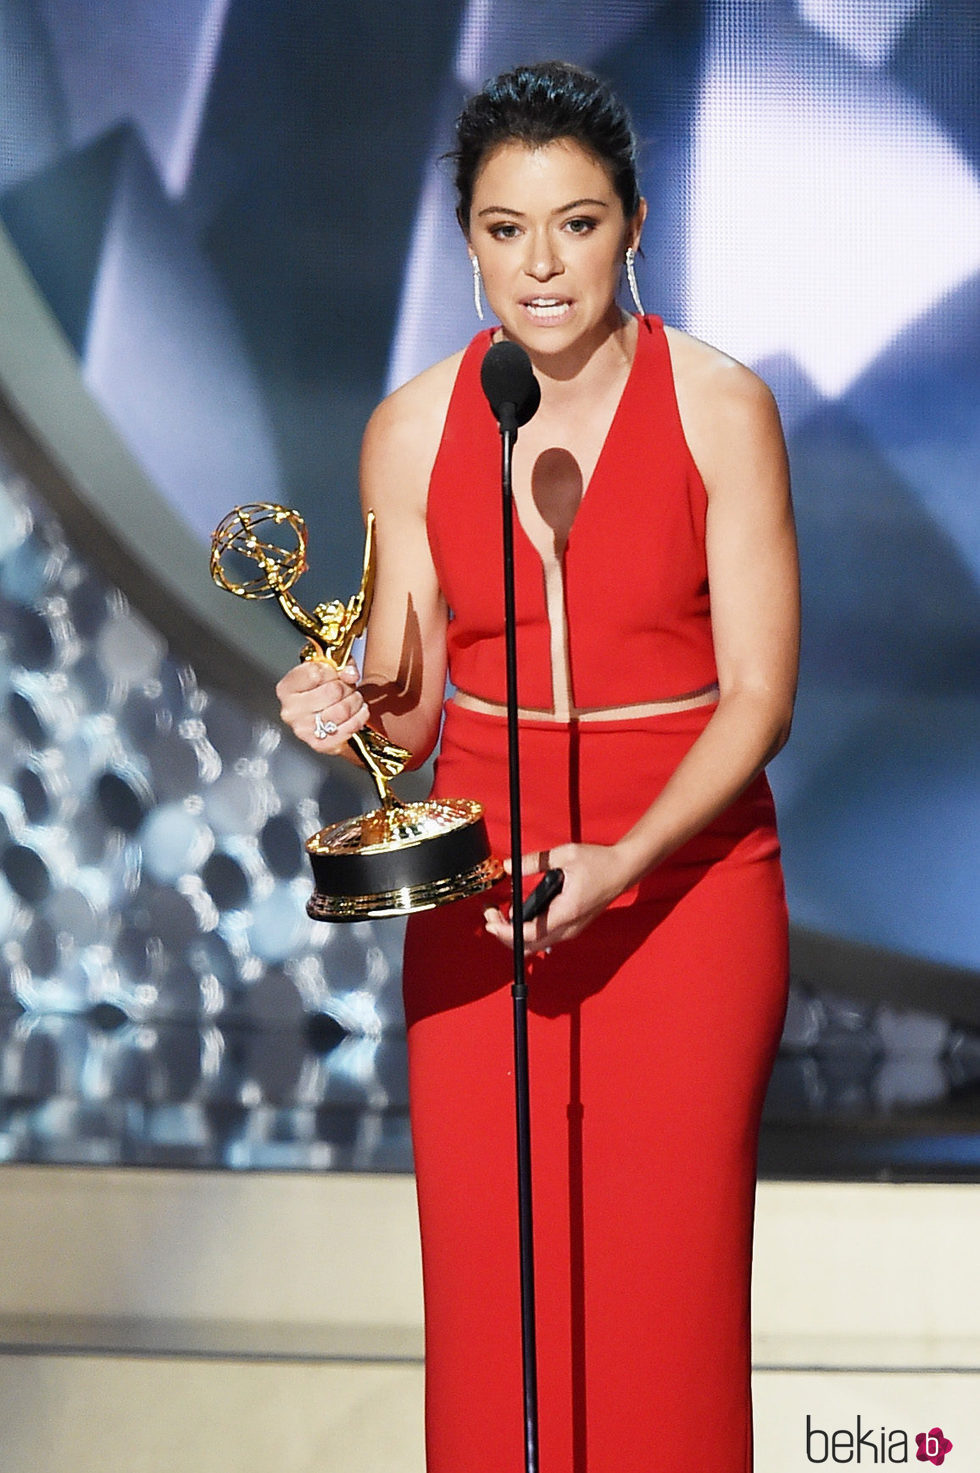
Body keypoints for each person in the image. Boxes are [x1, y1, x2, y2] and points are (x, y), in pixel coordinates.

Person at [277, 59, 799, 1473]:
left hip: (682, 891)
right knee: (497, 1303)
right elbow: (409, 710)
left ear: (634, 223)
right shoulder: (414, 430)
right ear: (467, 245)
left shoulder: (719, 408)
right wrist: (343, 704)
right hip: (484, 906)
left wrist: (627, 862)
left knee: (666, 1301)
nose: (542, 264)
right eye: (506, 230)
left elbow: (759, 697)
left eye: (575, 223)